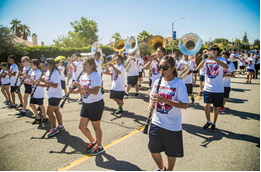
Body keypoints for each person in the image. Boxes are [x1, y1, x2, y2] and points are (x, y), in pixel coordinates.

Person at [147, 55, 189, 171]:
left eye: (165, 68)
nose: (161, 70)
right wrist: (150, 103)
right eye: (160, 67)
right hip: (157, 122)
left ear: (173, 68)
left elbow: (184, 105)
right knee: (153, 149)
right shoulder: (157, 82)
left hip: (172, 125)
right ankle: (161, 168)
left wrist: (165, 100)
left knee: (171, 153)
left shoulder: (179, 84)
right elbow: (152, 97)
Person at [71, 57, 105, 156]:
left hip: (95, 104)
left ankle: (99, 146)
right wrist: (72, 91)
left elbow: (95, 91)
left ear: (92, 66)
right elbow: (80, 90)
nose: (83, 67)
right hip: (86, 103)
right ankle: (93, 141)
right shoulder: (83, 76)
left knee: (96, 127)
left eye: (85, 65)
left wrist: (80, 87)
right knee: (81, 126)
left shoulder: (96, 76)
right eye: (83, 65)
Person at [197, 45, 228, 132]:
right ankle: (208, 121)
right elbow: (199, 67)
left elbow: (226, 67)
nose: (212, 51)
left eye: (214, 49)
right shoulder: (207, 60)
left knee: (216, 107)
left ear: (217, 51)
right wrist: (205, 59)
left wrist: (215, 60)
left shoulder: (221, 59)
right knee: (206, 105)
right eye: (211, 49)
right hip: (208, 87)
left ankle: (214, 123)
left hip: (218, 88)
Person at [39, 58, 64, 137]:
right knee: (56, 111)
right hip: (51, 94)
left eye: (47, 64)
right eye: (45, 64)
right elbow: (47, 84)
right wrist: (38, 84)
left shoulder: (55, 72)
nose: (45, 66)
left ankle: (54, 128)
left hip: (56, 95)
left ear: (52, 65)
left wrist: (44, 82)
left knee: (49, 112)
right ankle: (60, 126)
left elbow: (55, 85)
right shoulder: (47, 72)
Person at [24, 59, 48, 124]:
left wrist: (28, 78)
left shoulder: (38, 72)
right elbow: (32, 82)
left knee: (41, 105)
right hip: (33, 91)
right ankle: (38, 117)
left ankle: (45, 117)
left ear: (35, 65)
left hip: (39, 91)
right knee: (31, 104)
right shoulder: (33, 72)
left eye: (31, 64)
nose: (30, 65)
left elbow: (36, 82)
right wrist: (25, 81)